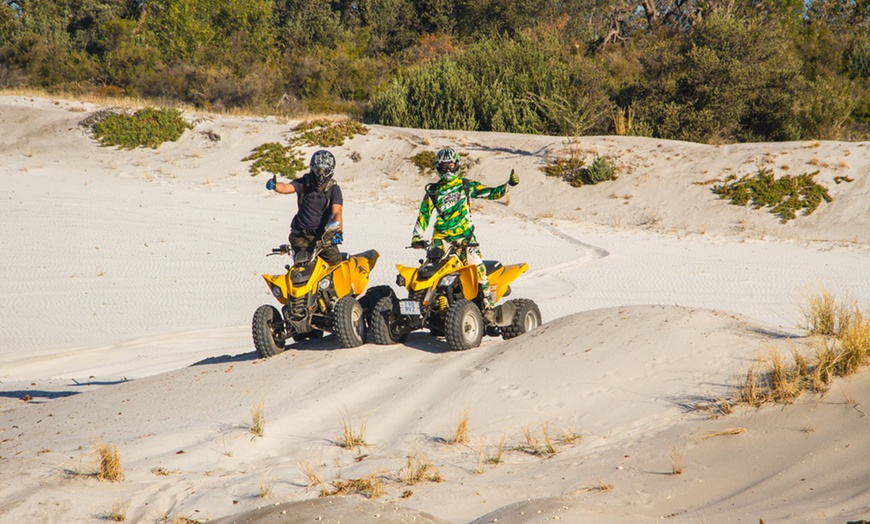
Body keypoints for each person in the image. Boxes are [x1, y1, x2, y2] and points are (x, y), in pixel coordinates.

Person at [410, 146, 519, 325]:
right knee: (429, 274)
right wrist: (416, 237)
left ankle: (488, 309)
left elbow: (491, 193)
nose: (448, 169)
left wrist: (509, 185)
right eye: (444, 166)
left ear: (457, 165)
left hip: (466, 240)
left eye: (451, 165)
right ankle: (428, 308)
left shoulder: (466, 185)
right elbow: (424, 215)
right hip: (441, 241)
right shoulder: (433, 191)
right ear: (438, 167)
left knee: (479, 271)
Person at [266, 149, 344, 266]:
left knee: (337, 265)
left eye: (325, 171)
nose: (321, 175)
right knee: (304, 266)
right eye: (318, 170)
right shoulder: (303, 183)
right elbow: (286, 188)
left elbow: (337, 213)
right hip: (300, 235)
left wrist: (338, 232)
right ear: (312, 169)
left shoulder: (334, 189)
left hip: (323, 236)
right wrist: (275, 186)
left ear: (330, 171)